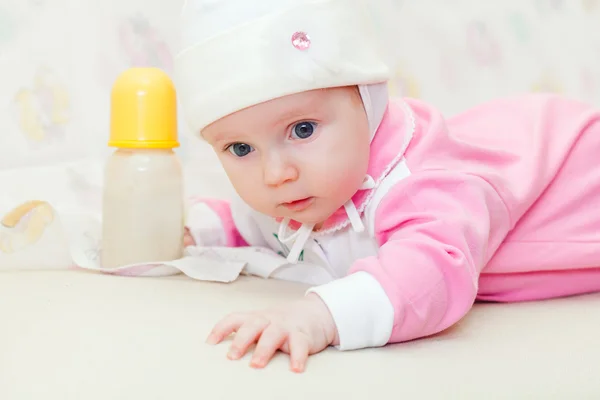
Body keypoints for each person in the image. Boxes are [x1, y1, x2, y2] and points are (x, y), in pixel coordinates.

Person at [174, 0, 600, 373]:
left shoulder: (422, 185)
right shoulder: (305, 186)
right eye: (240, 148)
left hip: (582, 175)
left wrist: (320, 315)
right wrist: (199, 229)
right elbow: (263, 224)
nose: (275, 173)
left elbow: (432, 270)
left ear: (369, 102)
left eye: (302, 129)